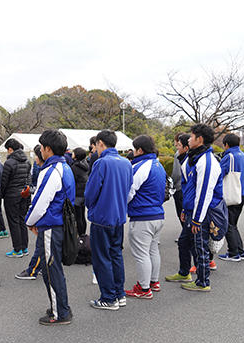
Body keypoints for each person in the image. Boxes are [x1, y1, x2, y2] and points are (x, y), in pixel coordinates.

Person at [165, 124, 223, 292]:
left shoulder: (207, 161)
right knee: (184, 242)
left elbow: (204, 194)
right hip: (192, 210)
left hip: (203, 213)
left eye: (191, 137)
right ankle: (184, 273)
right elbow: (190, 189)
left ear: (200, 139)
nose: (188, 140)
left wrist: (197, 219)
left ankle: (203, 282)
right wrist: (185, 209)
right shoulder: (195, 158)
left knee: (200, 247)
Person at [25, 129, 75, 325]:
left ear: (47, 149)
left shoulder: (50, 170)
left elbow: (40, 202)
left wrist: (30, 221)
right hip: (60, 224)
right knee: (52, 269)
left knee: (52, 270)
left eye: (42, 148)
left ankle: (59, 312)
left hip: (51, 225)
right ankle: (60, 307)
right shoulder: (65, 167)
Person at [85, 130, 133, 310]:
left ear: (100, 143)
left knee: (102, 258)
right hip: (119, 217)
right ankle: (119, 294)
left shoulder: (101, 163)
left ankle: (108, 297)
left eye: (95, 145)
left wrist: (92, 207)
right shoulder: (126, 163)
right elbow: (129, 188)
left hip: (102, 217)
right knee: (116, 255)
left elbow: (90, 193)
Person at [125, 135, 166, 299]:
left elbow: (130, 190)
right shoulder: (158, 165)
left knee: (142, 253)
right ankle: (153, 282)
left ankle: (143, 288)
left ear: (140, 150)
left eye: (134, 149)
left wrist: (121, 206)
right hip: (157, 214)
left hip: (142, 216)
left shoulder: (141, 166)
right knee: (152, 250)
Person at [15, 145, 45, 280]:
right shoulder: (60, 168)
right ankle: (44, 266)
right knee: (46, 245)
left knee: (42, 244)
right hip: (53, 217)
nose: (35, 158)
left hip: (46, 217)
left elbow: (41, 200)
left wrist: (30, 220)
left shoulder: (46, 172)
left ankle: (33, 270)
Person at [218, 133, 244, 262]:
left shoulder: (229, 156)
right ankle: (240, 251)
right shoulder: (242, 154)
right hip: (241, 192)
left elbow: (220, 173)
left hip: (231, 194)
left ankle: (233, 253)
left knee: (228, 224)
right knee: (233, 224)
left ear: (226, 144)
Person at [1, 138, 31, 258]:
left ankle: (17, 249)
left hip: (11, 195)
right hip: (24, 194)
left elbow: (4, 182)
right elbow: (29, 178)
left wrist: (1, 194)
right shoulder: (27, 161)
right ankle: (24, 247)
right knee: (21, 220)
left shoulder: (9, 163)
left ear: (10, 149)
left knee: (13, 222)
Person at [172, 133, 190, 229]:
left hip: (179, 188)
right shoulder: (192, 155)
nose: (176, 145)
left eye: (178, 144)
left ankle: (185, 234)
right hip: (187, 190)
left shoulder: (178, 155)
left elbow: (176, 173)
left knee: (181, 213)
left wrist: (172, 185)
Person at [70, 147, 89, 236]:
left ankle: (80, 236)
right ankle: (83, 235)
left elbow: (72, 181)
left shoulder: (74, 167)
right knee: (82, 216)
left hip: (77, 194)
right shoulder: (85, 165)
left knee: (78, 217)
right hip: (83, 193)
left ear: (76, 155)